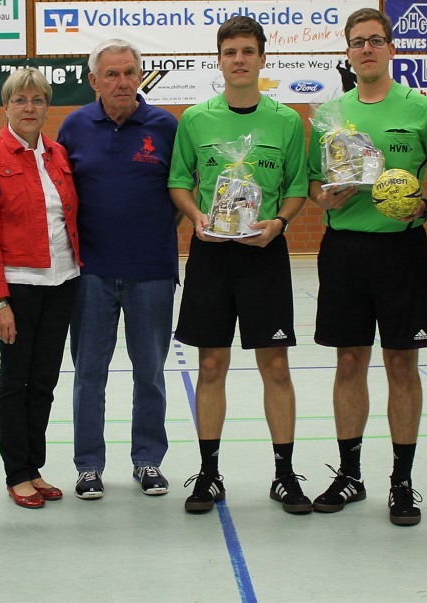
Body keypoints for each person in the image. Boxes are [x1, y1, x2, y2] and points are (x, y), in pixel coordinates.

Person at [306, 8, 427, 526]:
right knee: (349, 362)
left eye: (375, 40)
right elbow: (313, 185)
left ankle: (402, 481)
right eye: (357, 42)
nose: (366, 49)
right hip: (344, 249)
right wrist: (325, 199)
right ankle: (350, 474)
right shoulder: (329, 115)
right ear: (347, 52)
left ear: (391, 49)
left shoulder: (422, 110)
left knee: (400, 364)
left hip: (401, 252)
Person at [169, 16, 311, 515]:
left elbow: (296, 187)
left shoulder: (287, 121)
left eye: (247, 51)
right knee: (211, 364)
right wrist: (195, 216)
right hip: (211, 253)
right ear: (220, 59)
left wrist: (278, 224)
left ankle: (285, 474)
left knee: (275, 366)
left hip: (264, 253)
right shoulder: (196, 119)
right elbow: (179, 181)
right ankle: (208, 474)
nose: (239, 60)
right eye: (230, 52)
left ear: (262, 58)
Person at [57, 39, 179, 500]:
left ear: (140, 76)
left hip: (152, 272)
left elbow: (181, 194)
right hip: (90, 274)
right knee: (90, 373)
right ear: (94, 81)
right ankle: (89, 466)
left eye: (130, 72)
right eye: (111, 74)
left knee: (150, 372)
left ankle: (148, 460)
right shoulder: (74, 127)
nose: (122, 81)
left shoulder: (165, 126)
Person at [0, 68, 81, 510]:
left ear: (47, 107)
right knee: (16, 380)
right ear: (6, 106)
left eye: (37, 100)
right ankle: (17, 473)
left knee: (46, 381)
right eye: (20, 100)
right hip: (18, 287)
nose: (29, 107)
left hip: (63, 282)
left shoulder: (58, 155)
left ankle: (34, 467)